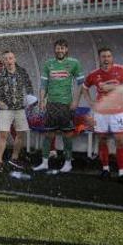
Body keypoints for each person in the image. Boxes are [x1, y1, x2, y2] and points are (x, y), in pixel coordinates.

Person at [81, 48, 123, 184]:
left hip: (118, 111)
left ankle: (122, 173)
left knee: (120, 140)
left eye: (109, 56)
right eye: (103, 56)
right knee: (102, 139)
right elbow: (84, 88)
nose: (106, 59)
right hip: (101, 113)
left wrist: (111, 88)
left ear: (112, 58)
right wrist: (91, 102)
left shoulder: (121, 69)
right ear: (99, 58)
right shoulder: (94, 74)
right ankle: (105, 169)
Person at [34, 39, 84, 173]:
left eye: (62, 48)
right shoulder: (48, 63)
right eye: (58, 48)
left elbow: (81, 84)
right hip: (51, 104)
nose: (60, 50)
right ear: (54, 49)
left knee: (67, 134)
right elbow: (44, 85)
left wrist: (75, 101)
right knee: (48, 134)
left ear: (66, 49)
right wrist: (42, 99)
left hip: (65, 105)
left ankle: (68, 163)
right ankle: (44, 162)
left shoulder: (74, 63)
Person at [0, 51, 34, 172]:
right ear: (3, 61)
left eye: (11, 58)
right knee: (3, 134)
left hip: (19, 108)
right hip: (6, 109)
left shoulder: (21, 71)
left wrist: (29, 97)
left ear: (14, 59)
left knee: (20, 134)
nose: (9, 60)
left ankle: (14, 158)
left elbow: (29, 85)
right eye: (6, 59)